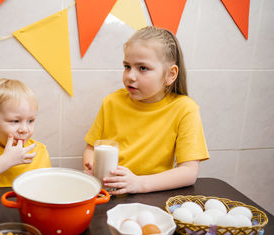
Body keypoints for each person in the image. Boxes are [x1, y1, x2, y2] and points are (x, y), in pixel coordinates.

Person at [82, 26, 209, 195]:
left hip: (153, 196)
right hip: (108, 195)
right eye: (127, 66)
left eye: (142, 68)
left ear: (170, 75)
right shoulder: (112, 102)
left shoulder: (185, 109)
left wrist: (139, 183)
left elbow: (188, 172)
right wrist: (92, 166)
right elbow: (91, 148)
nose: (130, 76)